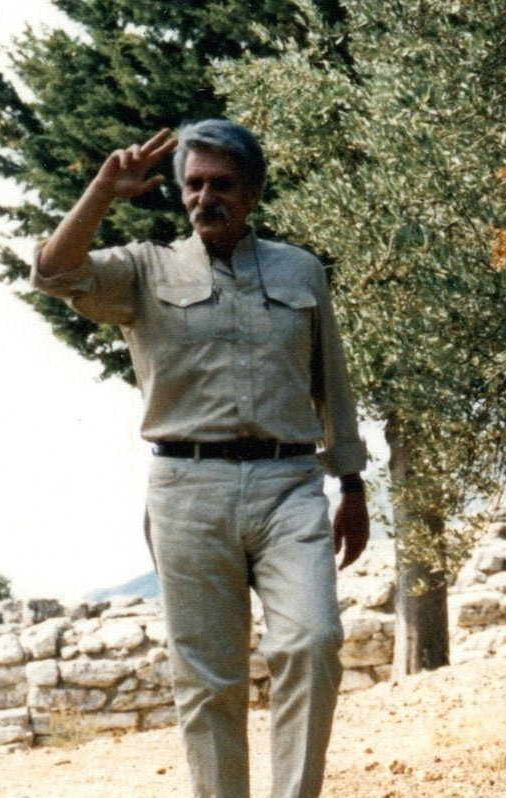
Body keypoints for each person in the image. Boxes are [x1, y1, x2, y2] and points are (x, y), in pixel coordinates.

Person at [32, 119, 369, 798]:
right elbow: (52, 272)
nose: (204, 197)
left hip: (288, 484)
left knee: (312, 641)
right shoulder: (143, 271)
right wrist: (102, 190)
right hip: (187, 490)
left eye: (221, 184)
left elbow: (329, 378)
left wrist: (352, 484)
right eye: (193, 184)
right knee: (209, 679)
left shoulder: (299, 271)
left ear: (252, 193)